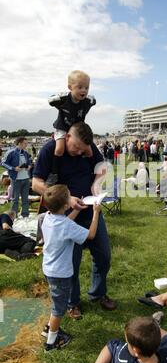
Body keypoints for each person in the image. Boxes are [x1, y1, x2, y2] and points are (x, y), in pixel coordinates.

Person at [32, 122, 116, 320]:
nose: (79, 152)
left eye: (83, 149)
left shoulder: (88, 147)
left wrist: (96, 184)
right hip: (66, 216)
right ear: (67, 137)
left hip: (90, 210)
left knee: (103, 255)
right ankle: (73, 302)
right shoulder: (50, 150)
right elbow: (36, 184)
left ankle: (97, 293)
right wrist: (66, 199)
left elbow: (101, 167)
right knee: (71, 263)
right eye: (76, 147)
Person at [41, 185, 101, 351]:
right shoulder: (66, 227)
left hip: (49, 268)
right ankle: (51, 343)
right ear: (66, 205)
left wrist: (77, 211)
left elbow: (64, 223)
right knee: (58, 309)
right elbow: (91, 235)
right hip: (60, 273)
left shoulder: (47, 216)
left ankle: (49, 329)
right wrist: (96, 213)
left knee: (57, 301)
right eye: (69, 197)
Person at [47, 70, 96, 185]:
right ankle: (54, 173)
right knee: (59, 149)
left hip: (76, 130)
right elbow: (51, 100)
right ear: (70, 87)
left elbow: (93, 100)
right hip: (63, 127)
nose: (84, 90)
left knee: (89, 151)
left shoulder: (87, 101)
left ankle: (90, 170)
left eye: (86, 87)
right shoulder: (64, 99)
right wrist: (58, 98)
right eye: (80, 87)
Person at [2, 137, 32, 217]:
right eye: (25, 143)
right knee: (15, 199)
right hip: (16, 179)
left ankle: (25, 215)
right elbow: (3, 163)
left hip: (26, 178)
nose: (27, 145)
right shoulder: (11, 152)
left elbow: (29, 162)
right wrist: (13, 168)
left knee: (25, 199)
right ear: (19, 143)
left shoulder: (26, 153)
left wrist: (29, 166)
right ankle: (13, 217)